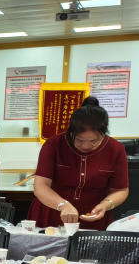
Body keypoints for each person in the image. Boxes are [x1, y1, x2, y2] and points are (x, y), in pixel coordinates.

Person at [29, 98, 129, 231]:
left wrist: (106, 204)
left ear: (104, 134)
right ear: (71, 132)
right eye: (79, 140)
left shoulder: (116, 149)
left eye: (94, 141)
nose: (85, 146)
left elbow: (121, 190)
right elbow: (41, 186)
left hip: (92, 217)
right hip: (51, 213)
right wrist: (62, 205)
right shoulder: (54, 144)